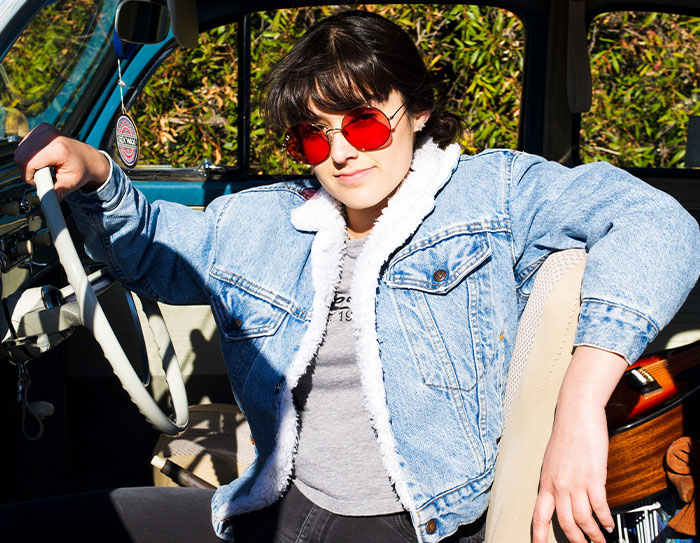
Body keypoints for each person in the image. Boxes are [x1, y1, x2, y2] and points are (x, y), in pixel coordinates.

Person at [9, 9, 700, 543]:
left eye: (364, 123)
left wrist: (580, 403)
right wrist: (95, 171)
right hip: (277, 506)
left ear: (417, 111)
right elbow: (153, 248)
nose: (340, 153)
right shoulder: (264, 221)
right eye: (314, 135)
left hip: (413, 521)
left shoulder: (492, 194)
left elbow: (658, 223)